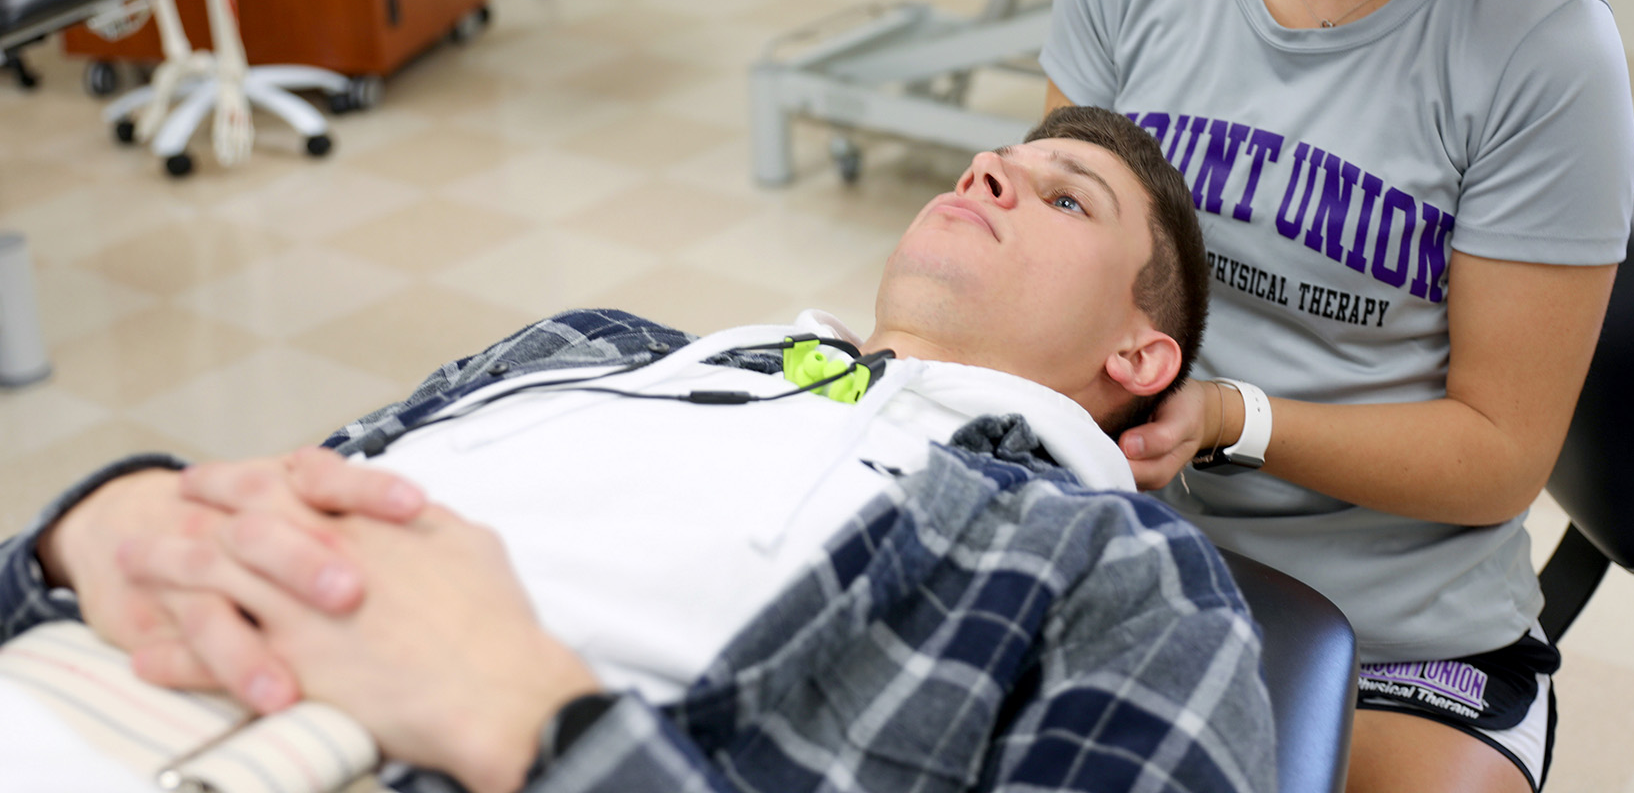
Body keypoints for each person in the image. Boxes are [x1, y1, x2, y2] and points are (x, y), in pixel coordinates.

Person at [0, 106, 1275, 793]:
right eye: (999, 159)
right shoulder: (592, 344)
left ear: (1140, 357)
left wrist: (532, 726)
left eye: (1063, 198)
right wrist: (73, 543)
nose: (993, 172)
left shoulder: (1118, 573)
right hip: (88, 676)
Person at [1041, 0, 1634, 793]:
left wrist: (1231, 420)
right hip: (1128, 543)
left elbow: (1494, 457)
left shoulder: (1547, 53)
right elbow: (1052, 269)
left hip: (1406, 637)